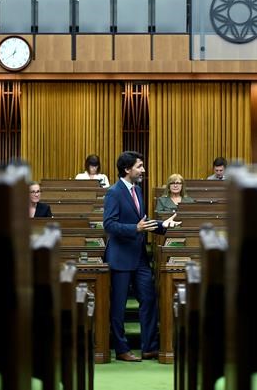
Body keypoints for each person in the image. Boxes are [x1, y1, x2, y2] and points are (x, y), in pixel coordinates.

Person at [103, 151, 180, 362]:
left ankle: (149, 347)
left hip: (139, 257)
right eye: (140, 166)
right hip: (120, 257)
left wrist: (163, 225)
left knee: (148, 299)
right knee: (118, 306)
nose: (143, 170)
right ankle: (121, 349)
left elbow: (142, 222)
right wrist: (134, 228)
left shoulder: (137, 190)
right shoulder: (114, 193)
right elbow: (109, 224)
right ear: (127, 169)